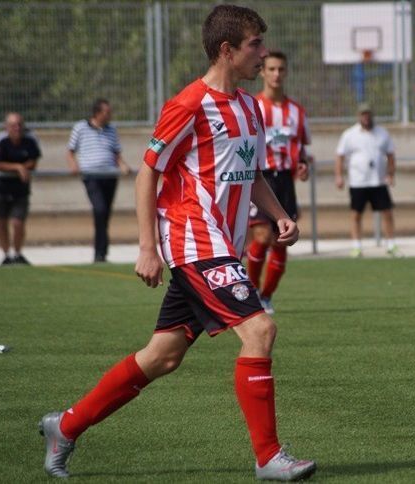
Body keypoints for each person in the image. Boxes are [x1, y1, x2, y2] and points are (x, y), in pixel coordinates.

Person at [40, 5, 316, 482]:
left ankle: (64, 427)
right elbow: (148, 172)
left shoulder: (250, 107)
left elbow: (251, 176)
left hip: (221, 246)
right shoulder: (188, 104)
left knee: (161, 356)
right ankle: (269, 457)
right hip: (194, 243)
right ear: (227, 50)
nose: (263, 53)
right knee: (260, 331)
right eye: (255, 45)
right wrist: (147, 246)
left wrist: (280, 215)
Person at [247, 50, 312, 315]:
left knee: (282, 240)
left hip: (285, 181)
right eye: (271, 69)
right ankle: (249, 293)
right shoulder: (252, 106)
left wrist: (303, 165)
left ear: (286, 72)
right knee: (261, 236)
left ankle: (266, 296)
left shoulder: (297, 111)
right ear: (262, 71)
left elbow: (302, 149)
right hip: (260, 179)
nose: (276, 74)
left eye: (281, 70)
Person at [67, 98, 131, 262]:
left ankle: (102, 253)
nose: (110, 115)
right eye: (106, 112)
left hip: (110, 176)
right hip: (92, 176)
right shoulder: (80, 127)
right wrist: (73, 165)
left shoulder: (111, 130)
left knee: (105, 214)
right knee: (100, 210)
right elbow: (70, 151)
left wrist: (123, 165)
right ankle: (99, 252)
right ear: (97, 113)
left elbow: (116, 153)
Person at [334, 103, 399, 258]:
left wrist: (391, 174)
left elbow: (390, 155)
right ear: (359, 116)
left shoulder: (382, 133)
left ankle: (391, 244)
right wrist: (338, 175)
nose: (366, 117)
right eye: (363, 114)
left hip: (378, 181)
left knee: (387, 212)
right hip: (358, 182)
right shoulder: (350, 134)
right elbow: (340, 155)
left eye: (368, 114)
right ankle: (356, 246)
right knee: (356, 214)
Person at [0, 112, 41, 265]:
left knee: (18, 222)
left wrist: (23, 168)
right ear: (6, 127)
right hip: (1, 188)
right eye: (13, 125)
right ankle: (6, 255)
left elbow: (33, 161)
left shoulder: (30, 140)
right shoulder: (1, 140)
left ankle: (18, 254)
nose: (17, 128)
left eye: (20, 124)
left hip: (20, 189)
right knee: (2, 221)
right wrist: (18, 167)